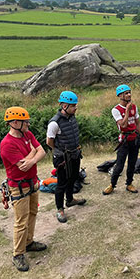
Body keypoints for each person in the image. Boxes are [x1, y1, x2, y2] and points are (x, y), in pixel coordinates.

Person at [0, 107, 47, 272]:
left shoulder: (28, 134)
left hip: (32, 183)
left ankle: (29, 242)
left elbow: (42, 151)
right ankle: (18, 254)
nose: (28, 123)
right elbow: (23, 167)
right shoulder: (7, 144)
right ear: (14, 123)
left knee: (33, 213)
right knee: (21, 221)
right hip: (19, 188)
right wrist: (34, 153)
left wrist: (33, 157)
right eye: (25, 121)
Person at [47, 91, 86, 224]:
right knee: (61, 183)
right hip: (62, 157)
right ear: (64, 106)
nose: (75, 108)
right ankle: (60, 209)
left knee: (73, 177)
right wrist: (59, 151)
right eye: (73, 106)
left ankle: (69, 200)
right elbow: (49, 141)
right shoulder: (54, 123)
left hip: (74, 154)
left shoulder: (71, 117)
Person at [102, 84, 140, 195]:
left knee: (132, 163)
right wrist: (127, 111)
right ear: (120, 96)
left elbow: (137, 122)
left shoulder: (134, 107)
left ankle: (129, 184)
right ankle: (112, 185)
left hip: (134, 139)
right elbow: (123, 125)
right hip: (124, 140)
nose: (129, 95)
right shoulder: (116, 110)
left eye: (129, 92)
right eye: (126, 93)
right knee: (119, 165)